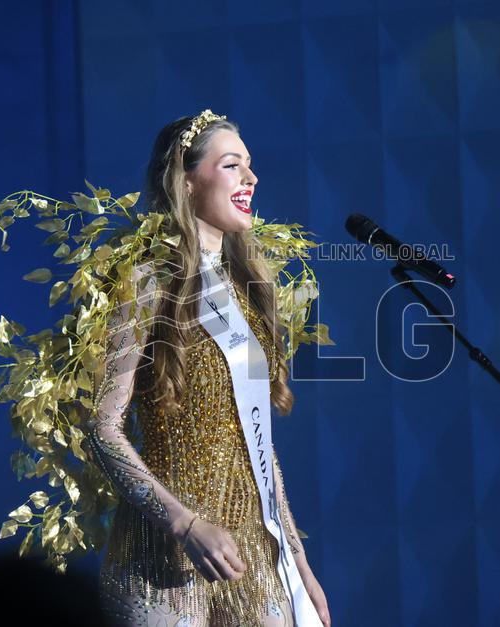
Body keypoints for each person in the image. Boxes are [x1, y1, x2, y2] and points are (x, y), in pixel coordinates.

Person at [85, 110, 332, 626]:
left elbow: (257, 445)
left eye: (251, 166)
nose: (251, 178)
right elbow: (102, 428)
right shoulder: (148, 281)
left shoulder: (249, 291)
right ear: (187, 180)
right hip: (165, 552)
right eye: (231, 165)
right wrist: (183, 522)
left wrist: (299, 562)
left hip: (254, 554)